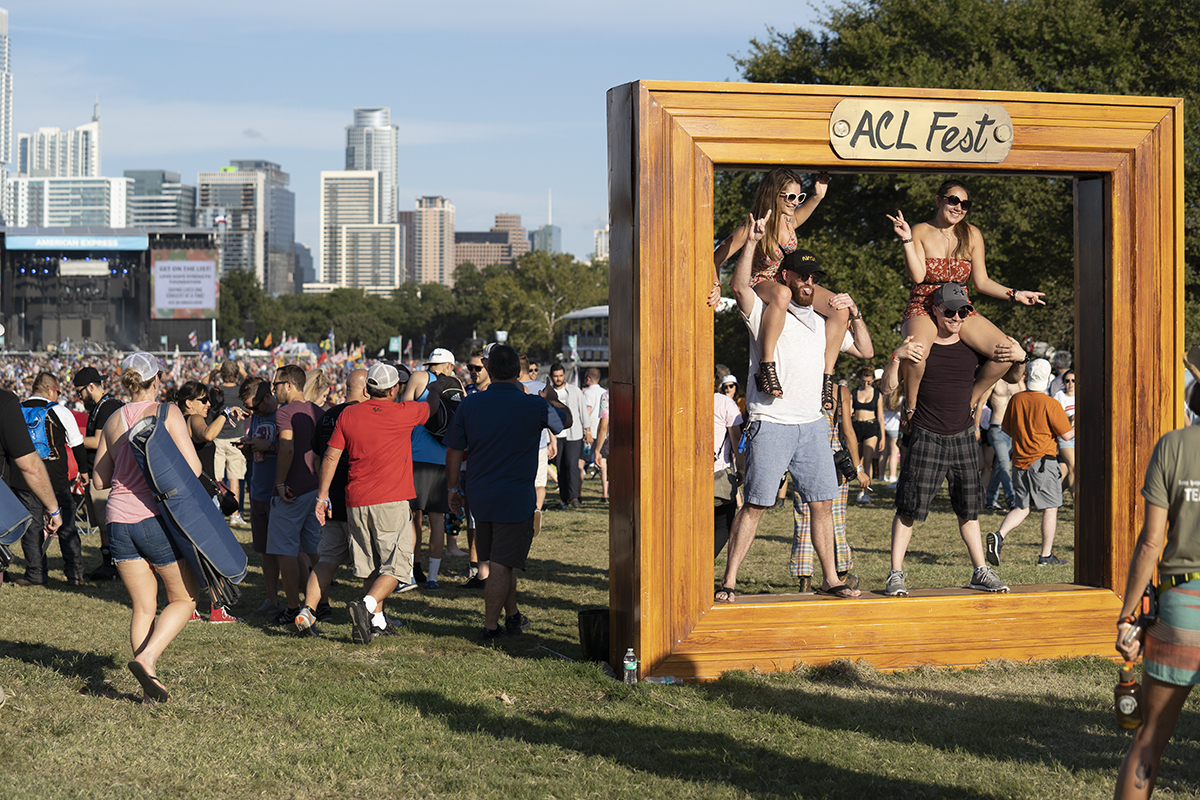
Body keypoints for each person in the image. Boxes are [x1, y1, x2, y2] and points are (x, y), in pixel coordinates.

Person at [716, 212, 872, 603]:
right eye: (802, 277)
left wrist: (856, 313)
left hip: (813, 424)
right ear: (785, 276)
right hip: (771, 421)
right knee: (755, 505)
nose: (808, 283)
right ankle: (729, 582)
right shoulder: (768, 312)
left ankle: (831, 579)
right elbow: (738, 286)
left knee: (822, 503)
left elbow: (867, 351)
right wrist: (750, 242)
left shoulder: (825, 322)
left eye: (813, 278)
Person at [879, 285, 1023, 597]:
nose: (956, 317)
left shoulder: (974, 348)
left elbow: (1012, 376)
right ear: (935, 310)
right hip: (926, 435)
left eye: (963, 311)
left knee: (969, 511)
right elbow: (887, 389)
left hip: (962, 436)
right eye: (949, 311)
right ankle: (895, 574)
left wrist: (1021, 355)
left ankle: (980, 571)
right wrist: (895, 357)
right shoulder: (920, 347)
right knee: (908, 509)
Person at [886, 180, 1045, 431]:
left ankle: (969, 401)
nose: (959, 207)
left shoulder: (972, 234)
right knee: (917, 353)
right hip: (925, 304)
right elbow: (917, 276)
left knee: (1003, 352)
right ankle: (911, 407)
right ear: (938, 200)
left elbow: (981, 282)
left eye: (965, 204)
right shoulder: (919, 230)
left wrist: (1016, 294)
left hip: (960, 305)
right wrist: (906, 240)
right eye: (953, 200)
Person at [92, 352, 201, 704]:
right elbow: (194, 468)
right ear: (157, 380)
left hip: (117, 520)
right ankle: (148, 658)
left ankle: (148, 684)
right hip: (152, 517)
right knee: (184, 597)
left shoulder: (112, 419)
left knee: (143, 606)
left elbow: (98, 480)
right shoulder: (166, 412)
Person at [444, 344, 572, 640]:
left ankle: (512, 616)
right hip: (514, 496)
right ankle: (490, 626)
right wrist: (550, 398)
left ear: (488, 369)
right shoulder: (534, 404)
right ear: (519, 371)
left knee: (500, 559)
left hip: (479, 493)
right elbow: (565, 422)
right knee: (502, 562)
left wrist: (453, 488)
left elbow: (454, 449)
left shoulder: (470, 404)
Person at [1113, 382, 1200, 799]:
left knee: (1148, 737)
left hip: (1182, 606)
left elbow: (1151, 542)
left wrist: (1128, 615)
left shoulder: (1173, 446)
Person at [314, 363, 440, 644]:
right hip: (390, 500)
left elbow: (331, 456)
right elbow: (431, 406)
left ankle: (375, 623)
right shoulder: (403, 412)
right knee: (397, 567)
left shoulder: (348, 414)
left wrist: (322, 496)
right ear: (394, 389)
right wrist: (433, 386)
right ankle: (367, 606)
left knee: (370, 566)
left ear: (368, 388)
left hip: (355, 501)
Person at [710, 169, 848, 408]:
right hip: (761, 282)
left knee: (839, 307)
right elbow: (716, 257)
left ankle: (826, 378)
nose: (795, 203)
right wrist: (715, 285)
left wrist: (817, 197)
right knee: (783, 294)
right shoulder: (754, 224)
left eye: (799, 197)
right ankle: (767, 366)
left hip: (787, 280)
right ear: (774, 194)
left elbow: (801, 216)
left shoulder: (789, 219)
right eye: (790, 197)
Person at [293, 368, 368, 636]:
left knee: (326, 560)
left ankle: (308, 610)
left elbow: (316, 456)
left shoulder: (328, 416)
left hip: (331, 497)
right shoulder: (364, 415)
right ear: (367, 388)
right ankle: (371, 615)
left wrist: (324, 488)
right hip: (359, 498)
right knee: (369, 564)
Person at [984, 359, 1073, 567]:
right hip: (1044, 461)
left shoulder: (1016, 399)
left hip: (1020, 461)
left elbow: (1006, 429)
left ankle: (999, 535)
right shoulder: (1051, 403)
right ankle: (1045, 556)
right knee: (1050, 508)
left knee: (1022, 507)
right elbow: (1067, 435)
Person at [10, 372, 86, 587]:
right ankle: (75, 573)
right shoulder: (60, 411)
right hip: (56, 478)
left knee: (32, 528)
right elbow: (77, 444)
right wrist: (84, 471)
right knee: (67, 526)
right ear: (52, 390)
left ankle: (36, 574)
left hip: (24, 477)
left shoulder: (16, 411)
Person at [791, 381, 866, 592]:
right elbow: (848, 432)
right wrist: (858, 468)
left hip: (804, 454)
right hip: (835, 460)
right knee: (835, 517)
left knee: (804, 518)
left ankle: (804, 577)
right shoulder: (840, 391)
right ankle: (841, 572)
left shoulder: (803, 386)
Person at [268, 364, 325, 626]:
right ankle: (321, 604)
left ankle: (292, 607)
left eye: (276, 385)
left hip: (292, 490)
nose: (273, 389)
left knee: (285, 550)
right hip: (314, 487)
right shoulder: (318, 411)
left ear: (289, 385)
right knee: (314, 549)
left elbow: (288, 449)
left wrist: (280, 483)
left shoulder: (285, 413)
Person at [402, 352, 461, 589]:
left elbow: (403, 411)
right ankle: (434, 577)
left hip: (416, 458)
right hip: (443, 458)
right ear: (449, 365)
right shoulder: (457, 386)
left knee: (412, 518)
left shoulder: (418, 377)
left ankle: (412, 572)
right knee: (437, 520)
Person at [73, 366, 123, 581]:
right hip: (104, 471)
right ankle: (110, 563)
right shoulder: (103, 406)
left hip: (106, 472)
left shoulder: (106, 407)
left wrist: (73, 440)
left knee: (106, 522)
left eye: (80, 392)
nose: (79, 396)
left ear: (91, 387)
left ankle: (111, 566)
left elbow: (99, 441)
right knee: (104, 522)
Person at [238, 376, 281, 615]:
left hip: (280, 493)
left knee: (288, 551)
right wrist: (247, 448)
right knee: (265, 550)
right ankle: (272, 600)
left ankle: (304, 601)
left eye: (254, 406)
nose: (251, 411)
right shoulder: (255, 417)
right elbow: (254, 458)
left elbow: (293, 450)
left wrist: (271, 447)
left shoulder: (283, 415)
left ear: (267, 397)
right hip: (258, 491)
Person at [211, 360, 248, 526]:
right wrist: (243, 372)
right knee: (235, 479)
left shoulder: (215, 390)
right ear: (237, 373)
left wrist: (215, 370)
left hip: (218, 437)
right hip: (236, 438)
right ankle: (234, 514)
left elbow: (202, 383)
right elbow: (255, 384)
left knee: (217, 478)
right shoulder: (242, 391)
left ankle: (217, 510)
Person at [548, 363, 587, 510]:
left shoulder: (574, 391)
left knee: (572, 465)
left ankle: (574, 496)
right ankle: (563, 497)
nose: (558, 379)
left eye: (560, 376)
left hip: (573, 434)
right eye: (556, 376)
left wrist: (587, 429)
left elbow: (582, 410)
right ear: (552, 376)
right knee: (560, 467)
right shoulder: (549, 392)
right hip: (556, 435)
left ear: (564, 375)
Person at [713, 373, 744, 559]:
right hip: (717, 472)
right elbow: (736, 439)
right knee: (723, 523)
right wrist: (741, 469)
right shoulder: (724, 403)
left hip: (683, 473)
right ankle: (702, 564)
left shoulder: (681, 397)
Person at [850, 366, 884, 504]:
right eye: (863, 381)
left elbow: (880, 417)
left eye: (869, 382)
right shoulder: (854, 392)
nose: (865, 384)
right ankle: (860, 489)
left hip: (871, 427)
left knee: (868, 461)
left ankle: (866, 492)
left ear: (873, 381)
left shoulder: (877, 394)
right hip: (857, 426)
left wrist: (882, 437)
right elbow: (849, 410)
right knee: (857, 462)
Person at [1053, 369, 1076, 502]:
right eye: (1067, 381)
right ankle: (1076, 503)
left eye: (1073, 380)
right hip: (1065, 436)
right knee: (1073, 467)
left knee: (1076, 469)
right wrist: (1069, 417)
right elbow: (1055, 417)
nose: (1070, 383)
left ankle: (1057, 496)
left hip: (1079, 437)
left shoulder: (1082, 395)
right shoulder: (1059, 396)